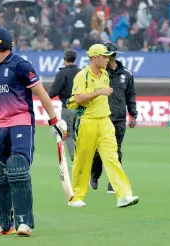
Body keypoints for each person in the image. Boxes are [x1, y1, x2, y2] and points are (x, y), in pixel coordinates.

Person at [0, 26, 67, 237]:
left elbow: (40, 91)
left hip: (21, 122)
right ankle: (3, 224)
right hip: (0, 126)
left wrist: (54, 118)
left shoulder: (21, 65)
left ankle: (24, 223)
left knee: (18, 171)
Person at [66, 43, 139, 208]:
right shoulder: (82, 76)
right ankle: (76, 196)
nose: (108, 59)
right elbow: (78, 98)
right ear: (95, 58)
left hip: (105, 122)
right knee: (83, 160)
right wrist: (99, 92)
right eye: (104, 56)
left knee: (113, 158)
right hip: (88, 122)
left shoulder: (105, 74)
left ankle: (123, 195)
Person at [89, 42, 138, 193]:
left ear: (112, 56)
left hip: (119, 118)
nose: (103, 57)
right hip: (101, 117)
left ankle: (113, 182)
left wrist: (133, 114)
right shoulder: (99, 73)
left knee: (116, 150)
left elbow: (131, 95)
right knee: (98, 151)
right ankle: (95, 174)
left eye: (106, 55)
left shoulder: (127, 75)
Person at [49, 49, 81, 162]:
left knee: (67, 135)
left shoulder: (62, 73)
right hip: (81, 108)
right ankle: (82, 156)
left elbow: (54, 91)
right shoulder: (81, 72)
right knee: (78, 134)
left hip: (67, 108)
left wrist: (46, 96)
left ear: (65, 59)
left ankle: (75, 159)